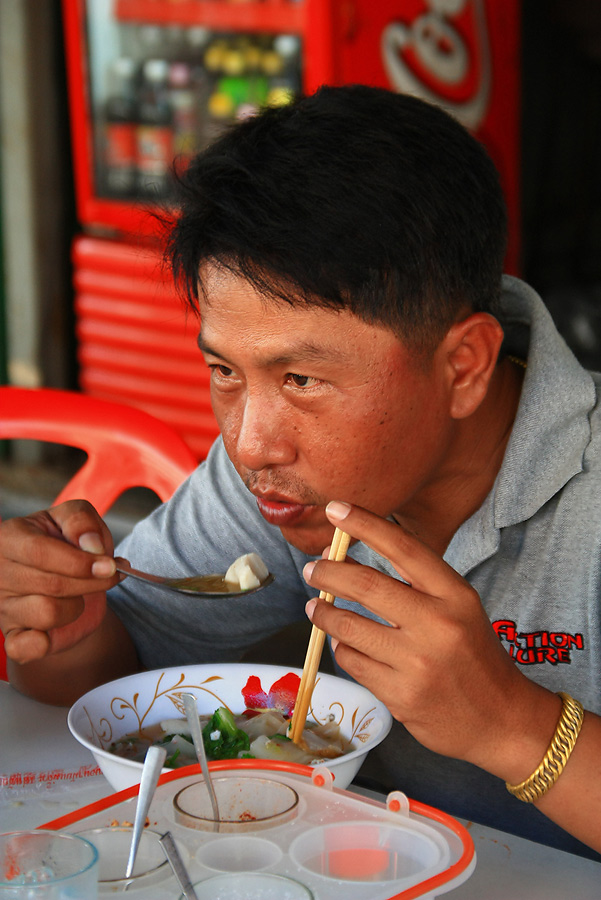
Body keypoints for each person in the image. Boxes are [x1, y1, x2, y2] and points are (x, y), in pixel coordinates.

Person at [1, 85, 600, 860]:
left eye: (301, 380)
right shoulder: (290, 474)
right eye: (223, 369)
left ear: (461, 366)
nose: (250, 443)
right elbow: (119, 672)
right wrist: (71, 631)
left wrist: (512, 725)